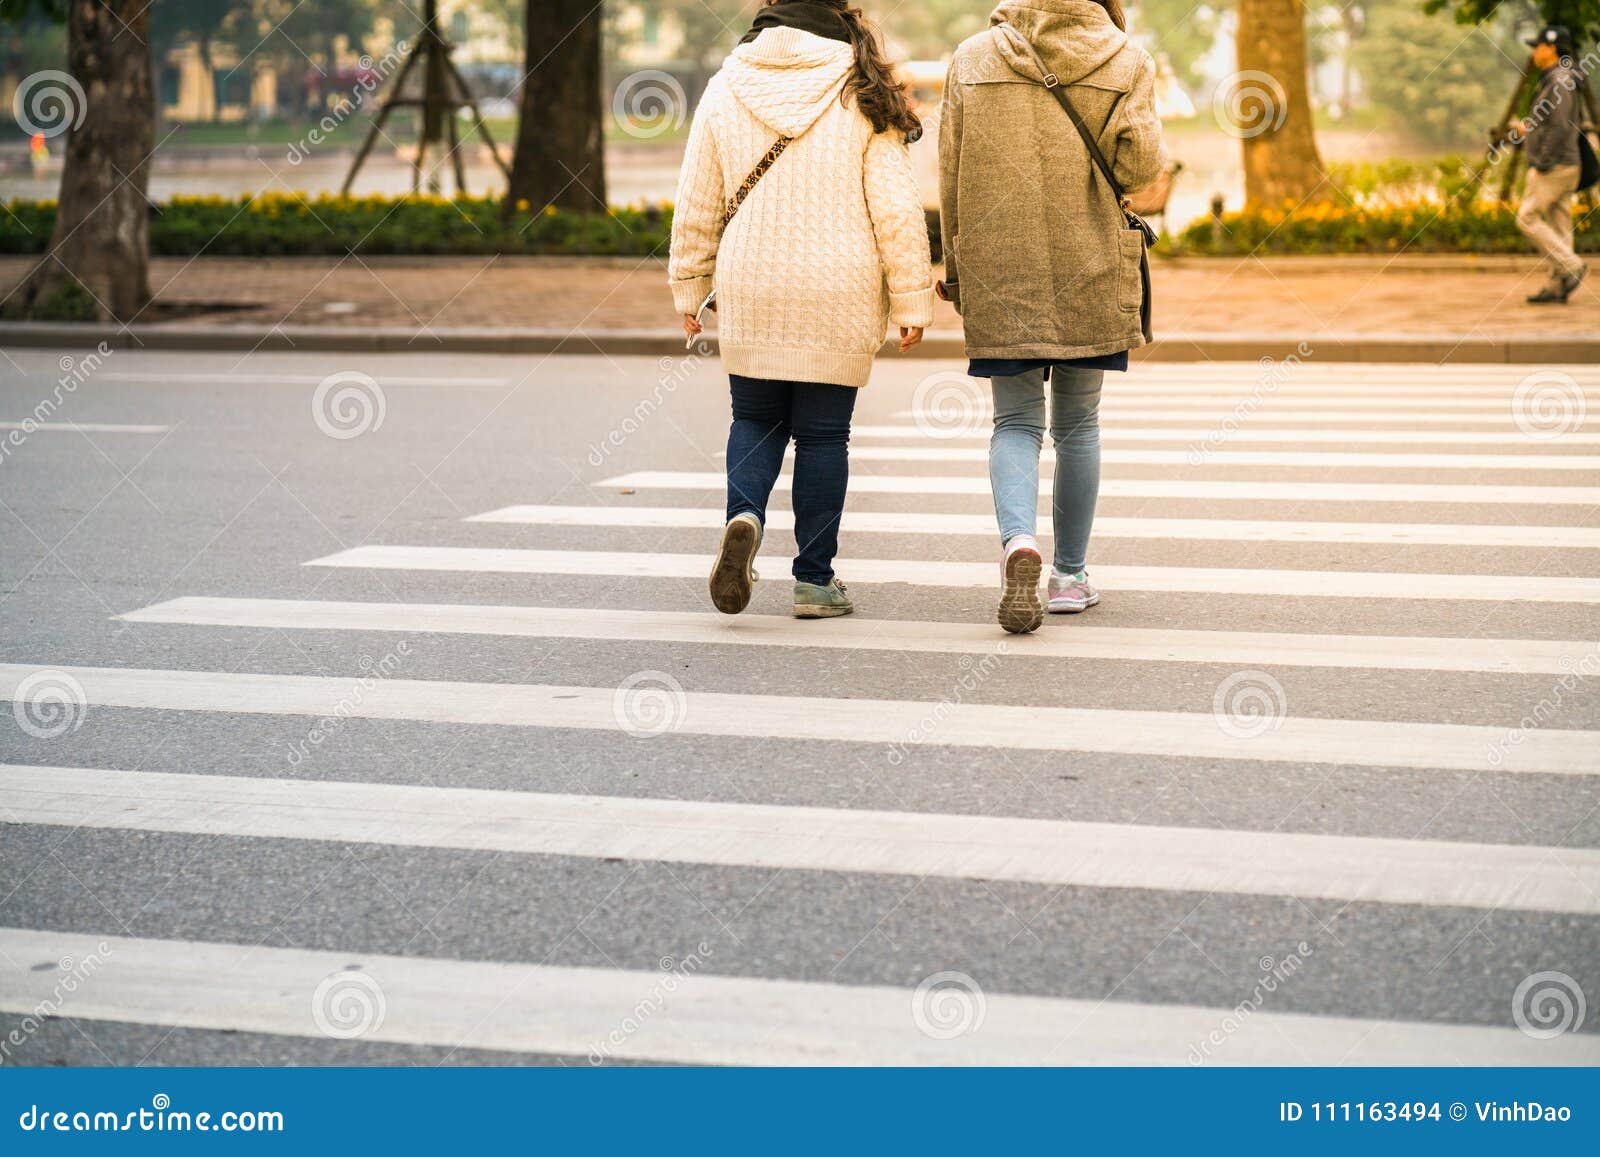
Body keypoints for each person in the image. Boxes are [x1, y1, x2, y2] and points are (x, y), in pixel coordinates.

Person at [668, 0, 934, 619]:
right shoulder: (864, 86)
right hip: (839, 286)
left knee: (754, 419)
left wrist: (689, 287)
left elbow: (697, 199)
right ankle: (814, 582)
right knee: (822, 436)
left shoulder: (727, 81)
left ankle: (744, 515)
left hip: (751, 280)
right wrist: (911, 296)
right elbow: (894, 208)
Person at [937, 0, 1165, 633]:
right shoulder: (1127, 59)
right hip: (1088, 257)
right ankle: (1068, 576)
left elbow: (950, 176)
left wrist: (957, 273)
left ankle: (1017, 544)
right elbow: (1140, 169)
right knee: (1079, 426)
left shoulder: (972, 59)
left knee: (1013, 421)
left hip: (998, 263)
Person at [1517, 25, 1589, 305]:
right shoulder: (1558, 79)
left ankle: (1571, 266)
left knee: (1527, 217)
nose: (1535, 51)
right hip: (1567, 162)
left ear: (1552, 48)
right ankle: (1558, 285)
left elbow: (1559, 128)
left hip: (1556, 165)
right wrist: (1528, 130)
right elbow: (1552, 124)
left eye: (1538, 46)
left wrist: (1542, 163)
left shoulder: (1559, 81)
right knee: (1560, 226)